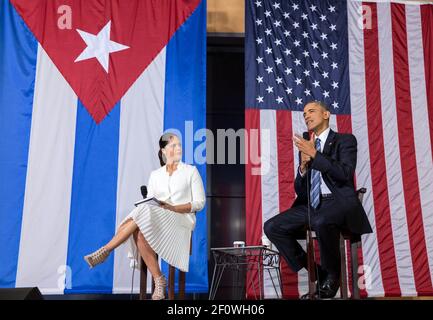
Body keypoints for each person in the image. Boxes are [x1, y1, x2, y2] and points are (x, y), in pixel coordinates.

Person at [264, 101, 372, 299]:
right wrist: (303, 168)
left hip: (338, 202)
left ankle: (332, 275)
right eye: (304, 113)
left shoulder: (345, 141)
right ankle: (321, 273)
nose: (306, 116)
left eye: (311, 111)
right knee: (272, 226)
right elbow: (300, 189)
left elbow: (345, 174)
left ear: (326, 114)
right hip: (312, 204)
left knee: (321, 221)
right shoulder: (306, 144)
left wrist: (316, 154)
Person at [83, 133, 205, 300]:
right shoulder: (155, 175)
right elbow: (150, 202)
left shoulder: (191, 171)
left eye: (179, 145)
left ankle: (106, 250)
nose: (178, 148)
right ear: (163, 150)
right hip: (158, 221)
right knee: (141, 224)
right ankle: (159, 279)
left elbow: (199, 203)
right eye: (173, 145)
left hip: (181, 221)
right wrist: (159, 205)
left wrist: (173, 207)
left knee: (142, 211)